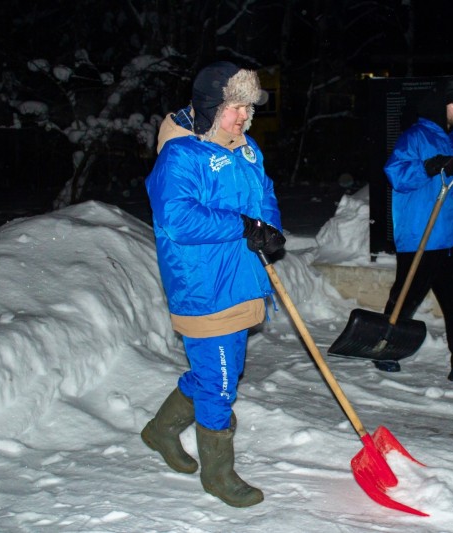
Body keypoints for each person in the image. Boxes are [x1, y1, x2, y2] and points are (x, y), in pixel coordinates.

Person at [142, 61, 285, 508]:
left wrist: (270, 228)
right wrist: (242, 225)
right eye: (235, 107)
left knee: (216, 372)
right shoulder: (181, 156)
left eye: (247, 107)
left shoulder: (246, 149)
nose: (243, 116)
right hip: (203, 284)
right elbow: (177, 219)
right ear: (211, 107)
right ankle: (218, 475)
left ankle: (161, 430)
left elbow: (265, 195)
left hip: (241, 278)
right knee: (221, 382)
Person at [378, 80, 453, 385]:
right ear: (440, 106)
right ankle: (384, 347)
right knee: (406, 297)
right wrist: (427, 167)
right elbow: (396, 174)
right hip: (423, 235)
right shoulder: (415, 137)